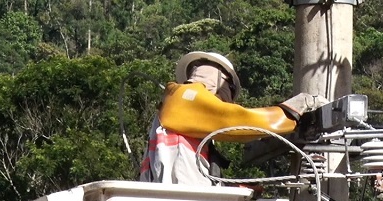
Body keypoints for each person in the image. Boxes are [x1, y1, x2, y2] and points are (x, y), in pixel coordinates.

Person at [139, 51, 325, 186]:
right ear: (219, 80)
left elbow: (191, 173)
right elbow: (239, 122)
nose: (229, 98)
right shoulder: (185, 97)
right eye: (230, 90)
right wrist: (292, 112)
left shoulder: (185, 113)